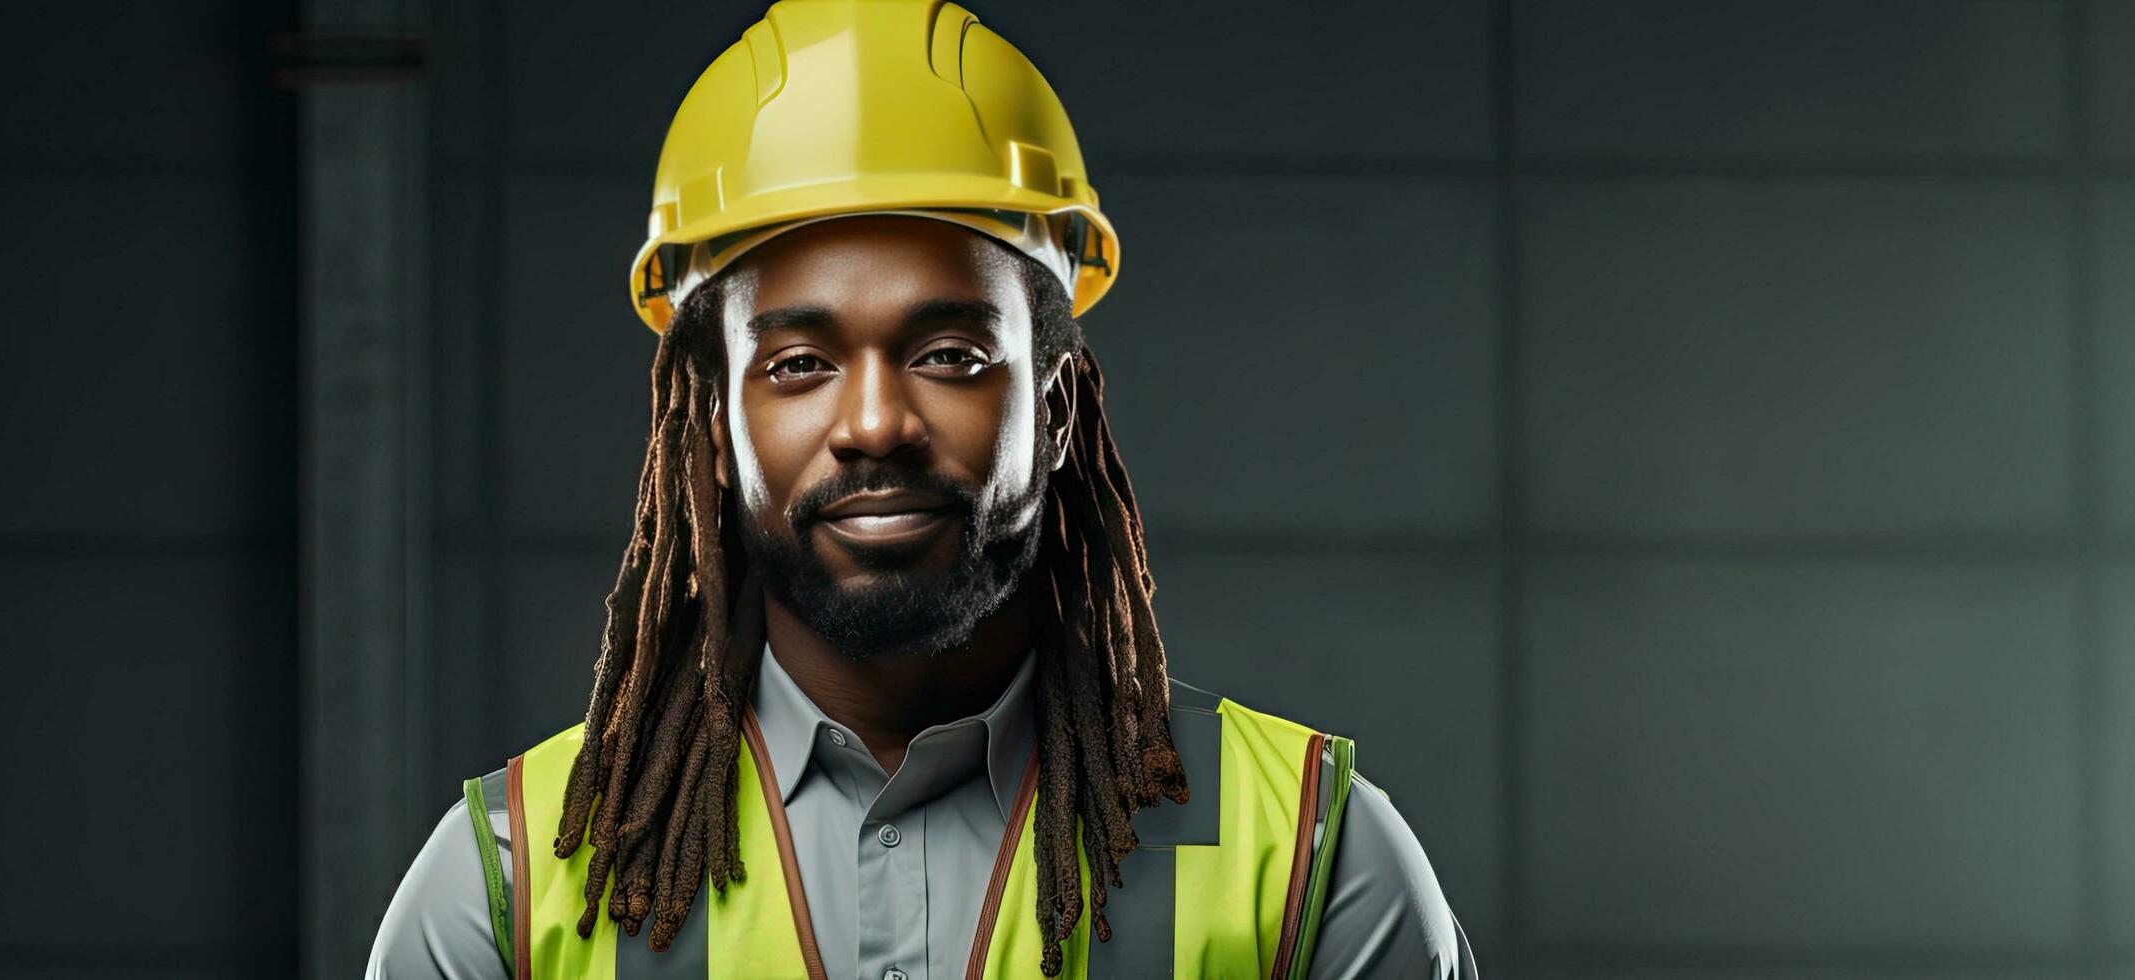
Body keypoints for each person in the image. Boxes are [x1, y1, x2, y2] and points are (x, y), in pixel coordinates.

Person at [367, 1, 1475, 976]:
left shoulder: (1310, 866)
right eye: (798, 363)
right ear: (708, 428)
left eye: (949, 353)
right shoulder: (504, 897)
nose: (873, 423)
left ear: (1058, 411)